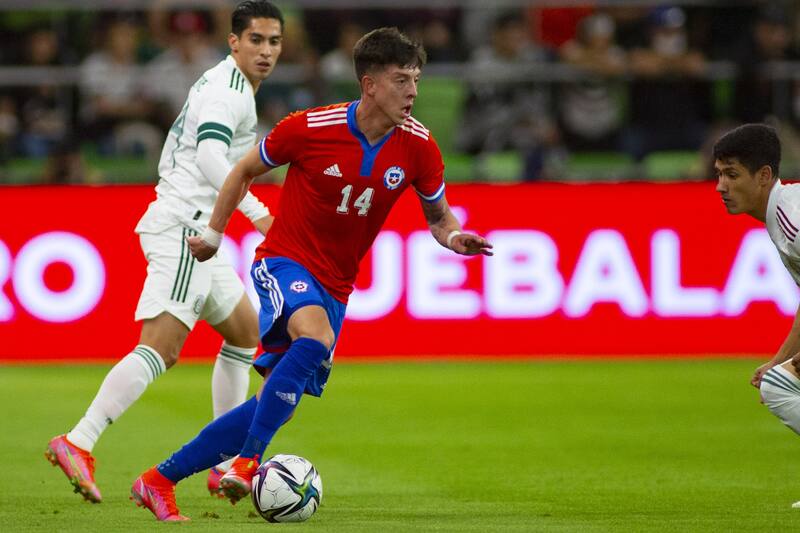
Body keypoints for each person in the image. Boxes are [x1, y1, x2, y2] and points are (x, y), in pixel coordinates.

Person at [129, 26, 493, 522]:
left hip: (337, 284)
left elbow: (438, 217)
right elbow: (240, 172)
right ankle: (248, 462)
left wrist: (455, 238)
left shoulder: (418, 147)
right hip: (283, 260)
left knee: (274, 401)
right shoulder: (310, 127)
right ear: (370, 84)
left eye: (416, 80)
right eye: (402, 79)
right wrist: (214, 235)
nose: (412, 91)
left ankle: (157, 480)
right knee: (314, 336)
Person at [45, 0, 284, 504]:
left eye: (274, 41)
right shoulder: (227, 92)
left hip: (202, 230)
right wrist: (259, 212)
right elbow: (210, 156)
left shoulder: (235, 87)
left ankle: (225, 461)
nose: (266, 51)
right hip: (186, 230)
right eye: (256, 40)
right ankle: (78, 440)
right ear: (234, 41)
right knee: (162, 348)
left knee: (244, 334)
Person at [714, 124, 800, 507]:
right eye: (719, 174)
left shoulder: (792, 223)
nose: (720, 186)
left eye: (732, 174)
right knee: (780, 378)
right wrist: (780, 359)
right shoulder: (784, 214)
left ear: (764, 176)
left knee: (779, 388)